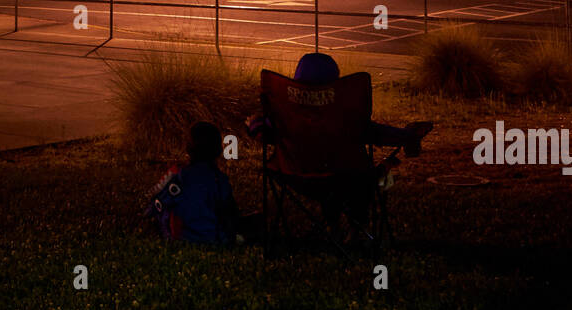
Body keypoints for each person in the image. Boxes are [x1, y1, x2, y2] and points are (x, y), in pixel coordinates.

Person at [247, 52, 432, 240]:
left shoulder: (288, 115)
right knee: (366, 177)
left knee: (344, 178)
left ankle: (332, 224)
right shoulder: (345, 115)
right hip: (348, 177)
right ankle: (356, 227)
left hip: (295, 176)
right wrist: (407, 136)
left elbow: (261, 132)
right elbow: (375, 133)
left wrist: (254, 123)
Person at [145, 121, 239, 245]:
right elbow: (231, 213)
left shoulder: (178, 175)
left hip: (181, 238)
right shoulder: (220, 180)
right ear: (218, 150)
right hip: (214, 239)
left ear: (189, 148)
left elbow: (155, 206)